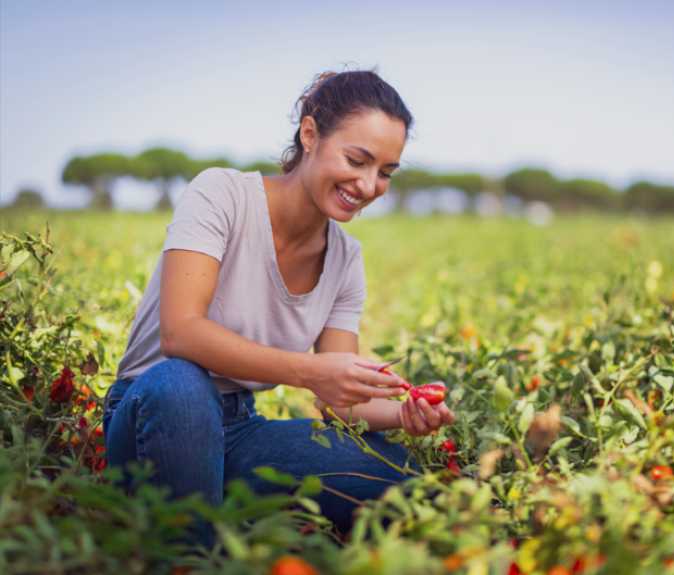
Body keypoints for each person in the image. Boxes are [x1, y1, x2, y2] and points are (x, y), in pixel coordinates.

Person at [102, 69, 455, 543]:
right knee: (182, 384)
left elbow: (340, 404)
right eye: (357, 160)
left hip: (238, 431)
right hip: (154, 413)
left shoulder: (345, 258)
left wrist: (403, 414)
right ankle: (194, 552)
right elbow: (180, 332)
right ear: (310, 134)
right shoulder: (221, 195)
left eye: (386, 173)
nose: (369, 185)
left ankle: (202, 501)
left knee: (401, 478)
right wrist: (309, 372)